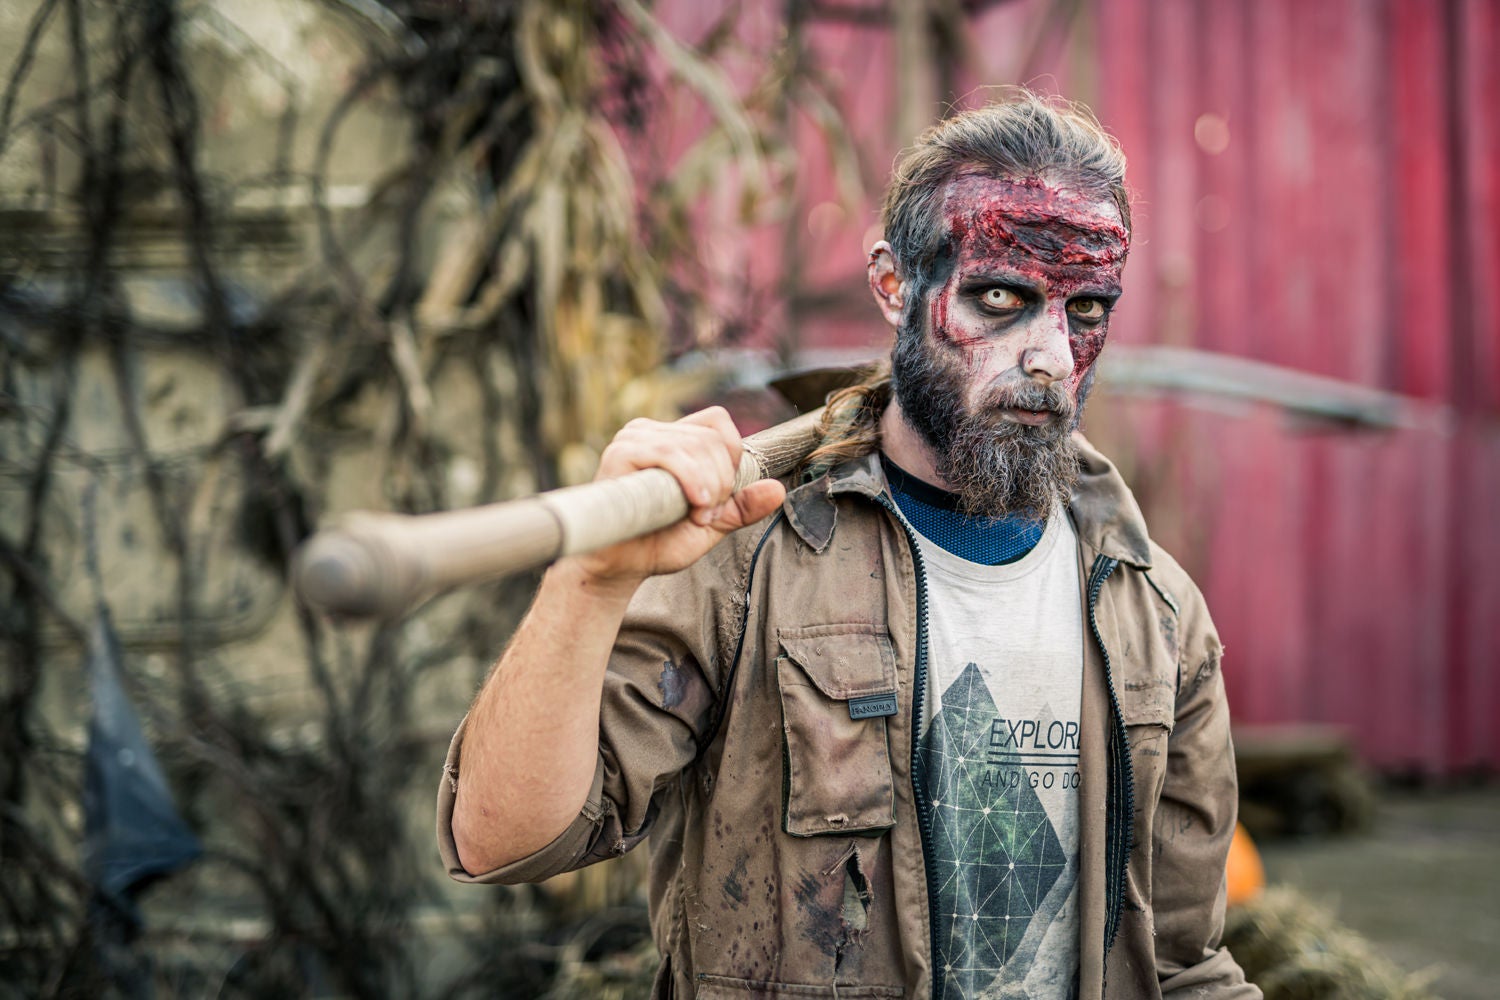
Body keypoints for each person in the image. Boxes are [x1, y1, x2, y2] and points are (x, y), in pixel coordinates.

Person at [438, 92, 1259, 999]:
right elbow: (500, 841)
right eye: (1001, 297)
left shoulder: (1154, 609)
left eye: (1088, 308)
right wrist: (590, 584)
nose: (1054, 358)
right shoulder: (750, 557)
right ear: (894, 283)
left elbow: (1182, 964)